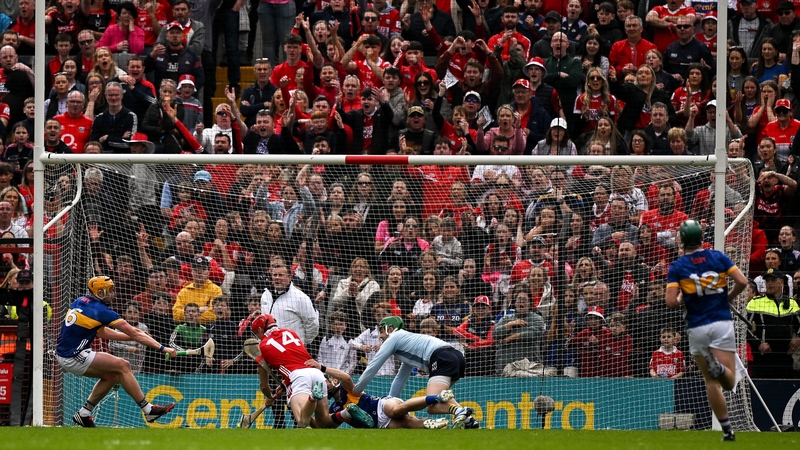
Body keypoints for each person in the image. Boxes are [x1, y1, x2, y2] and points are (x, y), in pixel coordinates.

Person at [665, 219, 749, 441]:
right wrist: (726, 298)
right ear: (702, 238)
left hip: (697, 326)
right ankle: (720, 368)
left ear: (682, 240)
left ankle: (727, 430)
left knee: (710, 382)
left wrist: (685, 297)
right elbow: (742, 281)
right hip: (721, 322)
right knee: (729, 382)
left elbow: (671, 302)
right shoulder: (717, 257)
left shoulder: (677, 266)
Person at [56, 276, 176, 427]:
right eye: (110, 290)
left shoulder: (81, 301)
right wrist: (163, 348)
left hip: (67, 354)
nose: (114, 293)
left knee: (112, 376)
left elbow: (100, 332)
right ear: (100, 292)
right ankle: (149, 410)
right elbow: (135, 333)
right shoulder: (101, 311)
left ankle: (84, 414)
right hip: (73, 355)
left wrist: (132, 336)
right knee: (123, 365)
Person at [352, 316, 479, 428]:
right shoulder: (407, 343)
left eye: (381, 331)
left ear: (390, 329)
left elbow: (373, 366)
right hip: (456, 357)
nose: (380, 336)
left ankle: (459, 411)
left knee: (432, 405)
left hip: (441, 357)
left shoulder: (394, 337)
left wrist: (356, 391)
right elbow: (400, 379)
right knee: (439, 400)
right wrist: (391, 403)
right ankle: (468, 420)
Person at [307, 358, 452, 429]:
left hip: (381, 405)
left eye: (324, 381)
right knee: (409, 423)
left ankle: (437, 397)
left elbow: (346, 377)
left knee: (396, 410)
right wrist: (301, 413)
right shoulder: (333, 409)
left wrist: (321, 367)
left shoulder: (347, 389)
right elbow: (320, 425)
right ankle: (433, 424)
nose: (323, 385)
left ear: (333, 381)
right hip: (379, 424)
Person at [250, 313, 329, 428]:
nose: (258, 337)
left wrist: (269, 397)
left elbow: (264, 386)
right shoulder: (290, 332)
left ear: (260, 329)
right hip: (316, 373)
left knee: (302, 421)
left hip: (297, 377)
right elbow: (294, 358)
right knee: (323, 424)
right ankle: (345, 413)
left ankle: (312, 398)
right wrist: (284, 383)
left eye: (257, 333)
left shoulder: (262, 346)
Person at [745, 268, 800, 378]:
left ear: (781, 282)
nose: (769, 284)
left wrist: (798, 338)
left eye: (773, 280)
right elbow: (743, 328)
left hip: (785, 358)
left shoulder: (791, 303)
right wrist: (759, 344)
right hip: (763, 358)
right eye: (767, 281)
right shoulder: (755, 302)